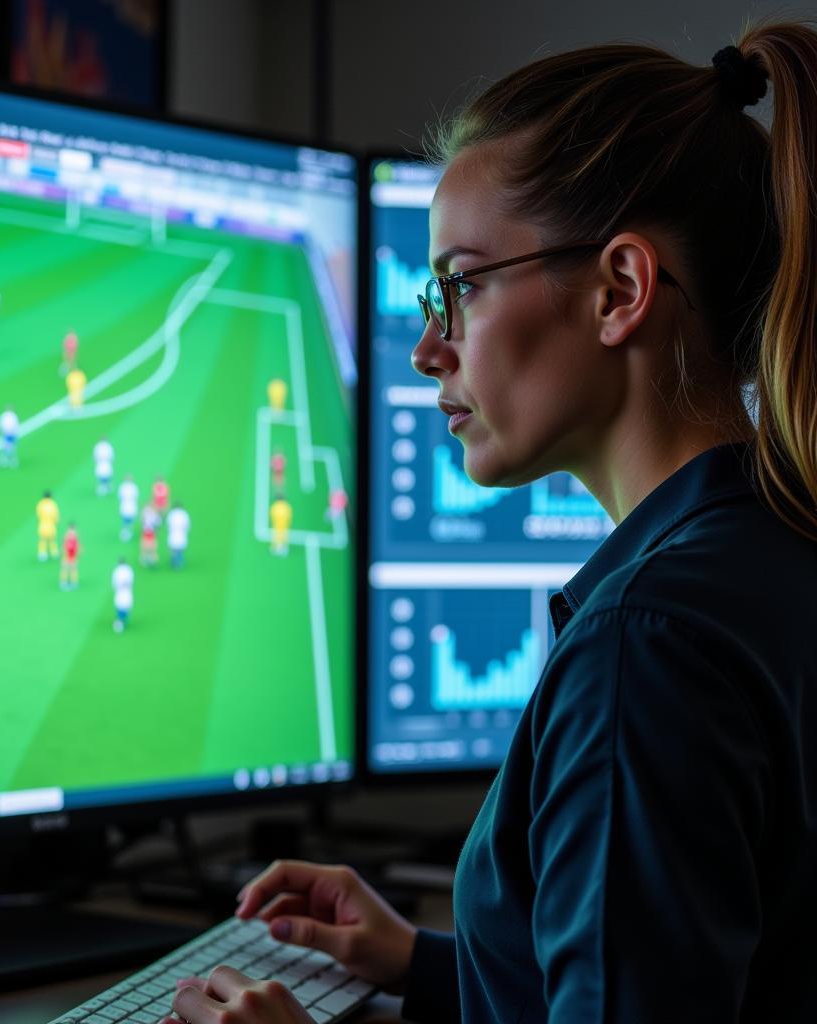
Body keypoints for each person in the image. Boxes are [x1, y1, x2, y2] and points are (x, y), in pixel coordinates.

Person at [166, 22, 817, 1024]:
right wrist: (433, 963)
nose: (428, 345)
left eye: (460, 286)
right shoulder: (772, 547)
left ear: (619, 291)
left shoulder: (644, 649)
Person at [111, 556, 134, 632]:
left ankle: (121, 620)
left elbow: (114, 581)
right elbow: (131, 580)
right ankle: (121, 620)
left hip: (121, 591)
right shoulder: (128, 569)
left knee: (120, 604)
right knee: (124, 605)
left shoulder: (117, 570)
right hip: (125, 591)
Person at [165, 502, 191, 569]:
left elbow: (168, 524)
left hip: (173, 533)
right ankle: (178, 562)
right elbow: (187, 525)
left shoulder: (171, 514)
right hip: (181, 534)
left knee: (174, 549)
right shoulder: (184, 514)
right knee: (180, 549)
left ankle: (175, 562)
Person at [36, 490, 59, 562]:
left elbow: (38, 514)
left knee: (42, 540)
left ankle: (42, 555)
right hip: (51, 525)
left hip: (42, 525)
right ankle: (54, 553)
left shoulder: (40, 504)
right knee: (52, 540)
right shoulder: (53, 504)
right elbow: (56, 516)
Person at [118, 473, 139, 541]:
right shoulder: (131, 487)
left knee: (128, 520)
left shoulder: (126, 487)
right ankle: (126, 532)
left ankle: (128, 532)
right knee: (126, 520)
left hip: (128, 505)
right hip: (127, 505)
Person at [59, 522, 80, 590]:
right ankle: (72, 582)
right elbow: (77, 546)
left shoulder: (67, 535)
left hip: (68, 555)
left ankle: (64, 582)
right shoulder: (75, 535)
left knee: (66, 569)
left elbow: (63, 545)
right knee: (72, 569)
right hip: (71, 555)